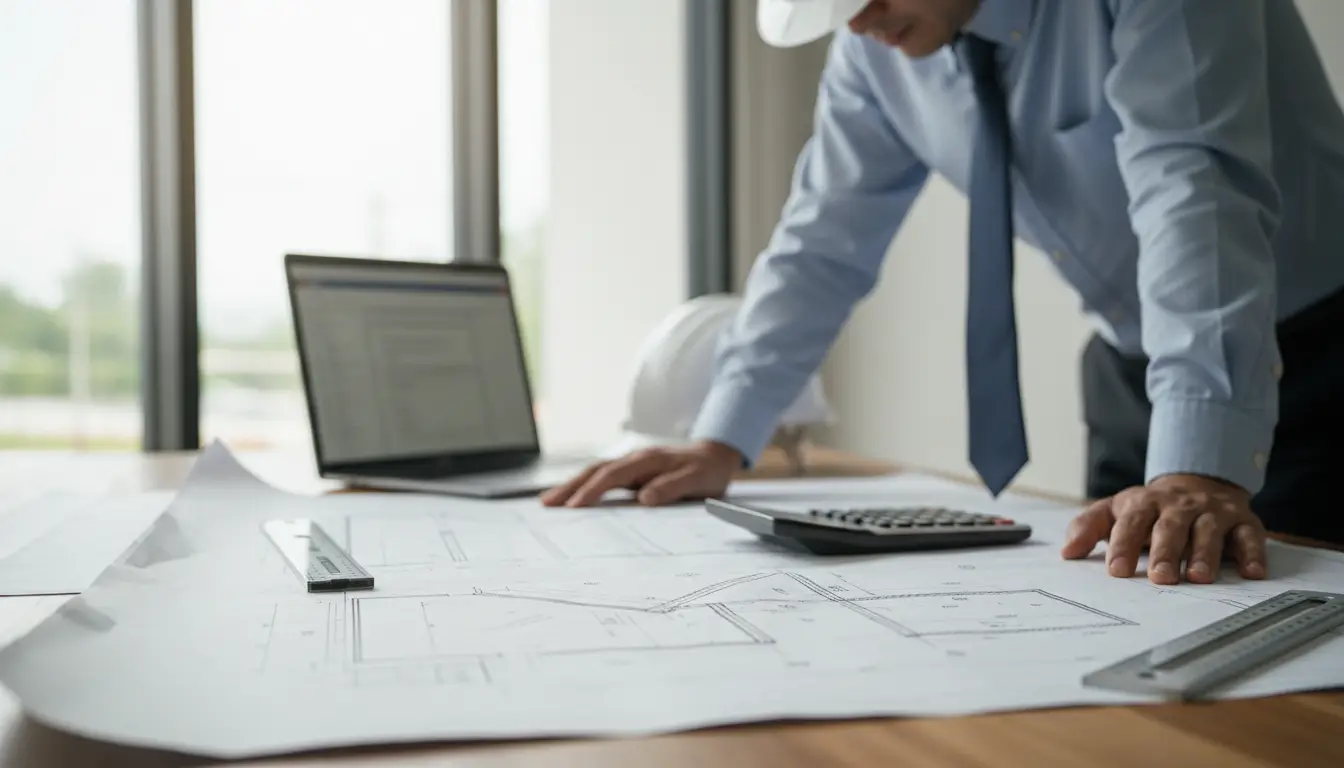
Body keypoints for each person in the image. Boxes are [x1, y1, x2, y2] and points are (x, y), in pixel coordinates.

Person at [543, 0, 1344, 584]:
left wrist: (1199, 464)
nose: (857, 19)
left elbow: (1193, 191)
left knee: (1293, 677)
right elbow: (820, 243)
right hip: (1129, 376)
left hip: (1318, 364)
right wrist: (719, 440)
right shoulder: (874, 51)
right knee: (1137, 631)